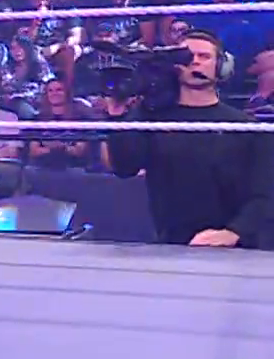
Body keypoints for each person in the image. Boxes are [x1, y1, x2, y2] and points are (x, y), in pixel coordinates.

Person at [103, 30, 268, 247]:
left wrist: (233, 232)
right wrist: (117, 114)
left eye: (204, 56)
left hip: (234, 250)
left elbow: (265, 193)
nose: (195, 62)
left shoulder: (245, 127)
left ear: (221, 66)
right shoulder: (152, 119)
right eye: (187, 56)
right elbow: (124, 167)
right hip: (171, 246)